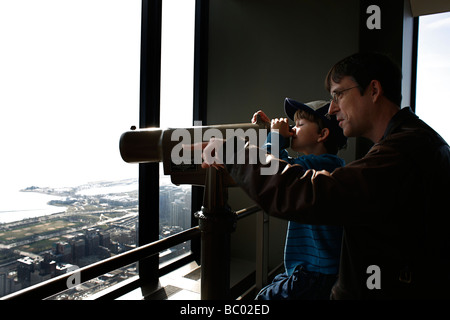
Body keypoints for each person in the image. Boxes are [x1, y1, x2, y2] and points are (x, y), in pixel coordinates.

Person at [201, 52, 450, 299]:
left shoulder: (405, 152)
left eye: (338, 94)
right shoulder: (413, 143)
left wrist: (230, 151)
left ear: (373, 90)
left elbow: (307, 192)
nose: (332, 108)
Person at [251, 99, 346, 300]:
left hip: (315, 273)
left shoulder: (321, 166)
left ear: (322, 135)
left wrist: (276, 135)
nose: (293, 129)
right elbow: (283, 164)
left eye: (300, 125)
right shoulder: (326, 164)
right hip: (315, 270)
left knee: (262, 300)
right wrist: (272, 132)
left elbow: (266, 166)